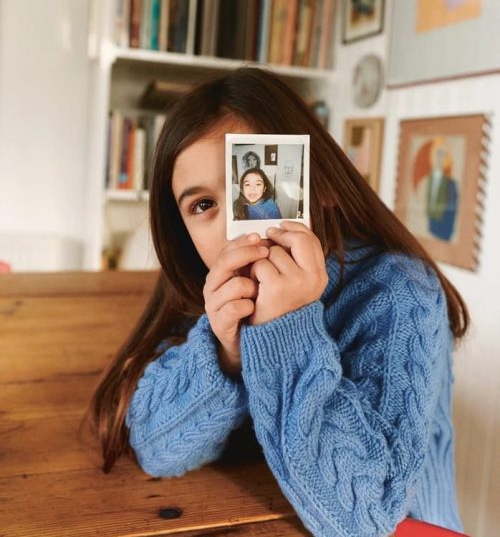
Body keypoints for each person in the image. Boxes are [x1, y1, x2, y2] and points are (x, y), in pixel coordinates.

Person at [89, 67, 468, 536]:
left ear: (322, 187)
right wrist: (224, 356)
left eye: (256, 188)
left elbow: (365, 519)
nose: (233, 227)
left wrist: (287, 329)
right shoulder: (211, 290)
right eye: (203, 205)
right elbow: (154, 447)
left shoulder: (399, 291)